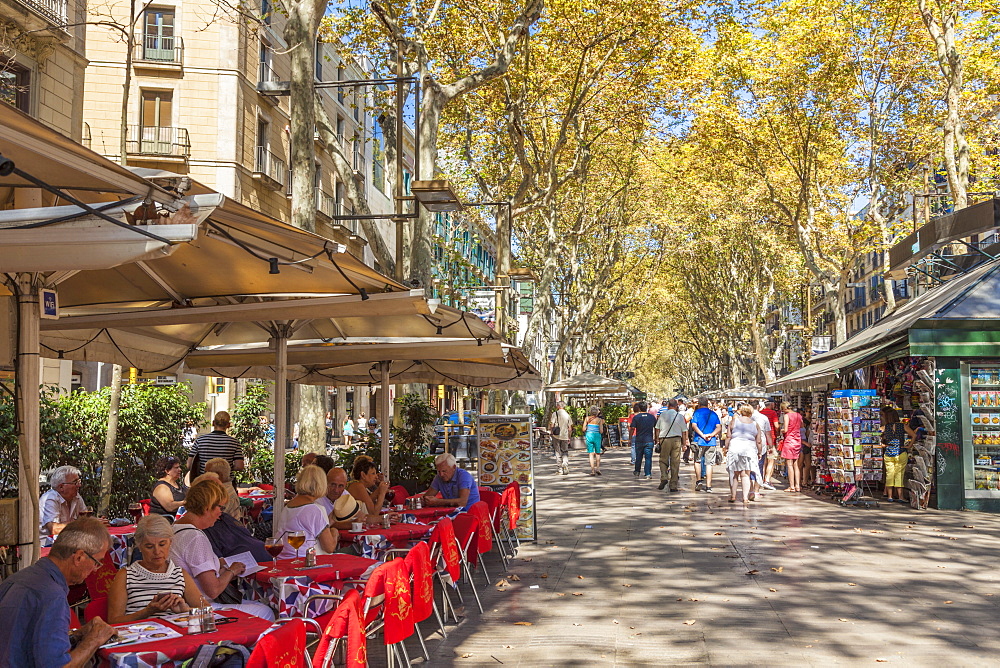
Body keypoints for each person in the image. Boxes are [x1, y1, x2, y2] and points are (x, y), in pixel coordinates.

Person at [0, 518, 116, 666]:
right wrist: (94, 640)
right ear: (79, 557)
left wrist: (77, 635)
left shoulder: (18, 578)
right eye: (96, 562)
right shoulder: (52, 596)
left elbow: (25, 640)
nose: (95, 569)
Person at [170, 479, 274, 619]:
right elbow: (213, 590)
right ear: (207, 507)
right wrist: (232, 571)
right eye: (220, 508)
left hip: (186, 605)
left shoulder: (175, 528)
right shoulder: (195, 537)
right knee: (266, 612)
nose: (221, 514)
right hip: (202, 608)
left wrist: (221, 567)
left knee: (258, 606)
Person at [107, 515, 202, 623]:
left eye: (162, 544)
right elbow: (113, 621)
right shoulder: (126, 575)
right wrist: (147, 612)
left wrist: (185, 610)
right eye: (149, 546)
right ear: (139, 546)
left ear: (170, 543)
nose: (157, 551)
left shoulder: (179, 574)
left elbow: (206, 609)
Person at [273, 465, 339, 557]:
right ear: (321, 484)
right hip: (302, 560)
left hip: (281, 558)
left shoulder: (288, 506)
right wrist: (334, 532)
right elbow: (329, 548)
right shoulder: (313, 509)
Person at [187, 411, 245, 478]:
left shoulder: (200, 440)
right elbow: (239, 466)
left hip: (204, 481)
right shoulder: (234, 442)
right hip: (225, 483)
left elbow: (189, 465)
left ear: (213, 423)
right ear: (228, 425)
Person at [726, 404, 764, 505]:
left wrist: (726, 447)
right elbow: (759, 441)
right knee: (745, 474)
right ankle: (745, 498)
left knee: (734, 474)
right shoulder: (755, 424)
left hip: (735, 448)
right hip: (749, 449)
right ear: (751, 412)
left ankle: (733, 496)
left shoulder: (734, 421)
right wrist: (759, 452)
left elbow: (728, 436)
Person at [40, 465, 88, 535]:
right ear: (61, 487)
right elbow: (54, 529)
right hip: (47, 543)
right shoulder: (50, 499)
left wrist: (97, 522)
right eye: (75, 482)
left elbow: (85, 518)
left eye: (79, 481)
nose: (79, 485)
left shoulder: (76, 496)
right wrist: (81, 525)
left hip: (67, 539)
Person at [655, 398, 687, 492]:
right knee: (675, 462)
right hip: (677, 439)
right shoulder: (680, 416)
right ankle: (673, 485)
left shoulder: (662, 415)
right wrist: (684, 444)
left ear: (668, 406)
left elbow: (657, 428)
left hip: (664, 439)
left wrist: (657, 440)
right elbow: (684, 431)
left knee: (663, 460)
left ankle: (664, 477)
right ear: (676, 406)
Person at [690, 397, 721, 493]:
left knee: (697, 461)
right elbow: (719, 427)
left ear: (699, 404)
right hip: (711, 442)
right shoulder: (713, 414)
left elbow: (693, 426)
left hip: (699, 441)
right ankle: (708, 486)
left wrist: (702, 435)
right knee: (709, 464)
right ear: (708, 404)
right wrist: (711, 435)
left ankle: (699, 480)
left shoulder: (697, 413)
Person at [881, 406, 908, 502]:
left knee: (889, 474)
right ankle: (900, 497)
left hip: (889, 453)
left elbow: (874, 436)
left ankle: (890, 496)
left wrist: (883, 445)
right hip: (900, 452)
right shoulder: (902, 426)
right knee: (899, 474)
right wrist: (908, 446)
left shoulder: (885, 427)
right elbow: (913, 435)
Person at [149, 456, 187, 521]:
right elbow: (170, 506)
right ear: (167, 471)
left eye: (179, 467)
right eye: (176, 468)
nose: (180, 470)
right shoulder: (161, 487)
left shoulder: (176, 484)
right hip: (165, 524)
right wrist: (188, 503)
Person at [778, 403, 804, 492]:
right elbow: (801, 426)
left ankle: (792, 486)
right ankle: (798, 486)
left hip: (789, 440)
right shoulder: (799, 415)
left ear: (785, 408)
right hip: (797, 440)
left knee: (789, 465)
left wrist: (781, 429)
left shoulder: (786, 416)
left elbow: (785, 429)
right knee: (796, 465)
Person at [751, 404, 776, 491]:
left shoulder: (745, 418)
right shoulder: (764, 417)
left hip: (748, 445)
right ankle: (756, 489)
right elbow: (768, 434)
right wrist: (771, 446)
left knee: (749, 467)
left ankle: (750, 488)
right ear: (757, 406)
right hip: (761, 445)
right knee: (760, 466)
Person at [630, 402, 657, 480]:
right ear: (647, 407)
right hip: (649, 440)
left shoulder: (636, 417)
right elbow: (656, 428)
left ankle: (637, 471)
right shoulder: (652, 417)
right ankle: (648, 473)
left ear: (639, 408)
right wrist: (656, 438)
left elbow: (632, 428)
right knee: (648, 458)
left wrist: (630, 438)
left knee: (639, 457)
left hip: (639, 440)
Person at [759, 401, 781, 488]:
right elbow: (776, 425)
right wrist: (778, 433)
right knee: (771, 461)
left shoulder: (760, 413)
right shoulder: (773, 413)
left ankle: (760, 480)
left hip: (761, 440)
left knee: (763, 462)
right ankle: (767, 480)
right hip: (771, 440)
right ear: (772, 404)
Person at [549, 401, 573, 475]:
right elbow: (570, 428)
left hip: (556, 435)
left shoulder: (555, 414)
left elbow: (552, 425)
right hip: (565, 436)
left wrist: (551, 432)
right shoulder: (567, 415)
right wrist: (569, 437)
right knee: (565, 451)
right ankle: (565, 463)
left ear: (558, 406)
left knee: (557, 452)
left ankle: (559, 469)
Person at [582, 406, 605, 476]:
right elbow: (601, 431)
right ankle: (598, 468)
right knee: (597, 453)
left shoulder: (587, 418)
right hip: (597, 436)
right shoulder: (599, 420)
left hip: (589, 436)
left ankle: (592, 470)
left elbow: (583, 429)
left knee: (591, 453)